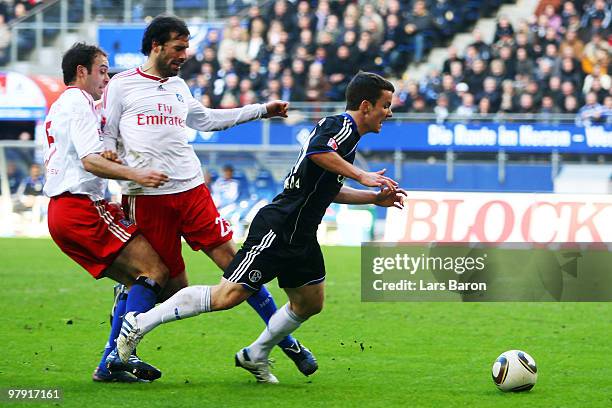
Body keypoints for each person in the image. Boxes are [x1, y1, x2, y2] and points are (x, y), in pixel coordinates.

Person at [115, 72, 407, 383]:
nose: (389, 113)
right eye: (386, 105)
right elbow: (318, 152)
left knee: (310, 302)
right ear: (366, 105)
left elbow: (327, 188)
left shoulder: (347, 139)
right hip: (279, 227)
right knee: (227, 296)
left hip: (301, 234)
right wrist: (363, 176)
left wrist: (373, 199)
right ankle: (141, 322)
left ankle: (255, 354)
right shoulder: (341, 127)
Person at [101, 15, 317, 376]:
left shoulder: (179, 87)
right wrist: (110, 154)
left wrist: (261, 110)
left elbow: (208, 120)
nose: (185, 54)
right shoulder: (121, 86)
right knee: (160, 282)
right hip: (147, 197)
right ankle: (117, 352)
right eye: (178, 47)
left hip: (191, 189)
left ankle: (283, 340)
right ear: (156, 45)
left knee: (237, 264)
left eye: (187, 47)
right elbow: (106, 134)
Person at [43, 42, 172, 382]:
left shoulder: (64, 104)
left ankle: (108, 364)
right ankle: (117, 354)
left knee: (136, 279)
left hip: (63, 210)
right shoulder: (78, 101)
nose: (106, 77)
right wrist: (136, 174)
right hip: (80, 206)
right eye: (102, 70)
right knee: (156, 271)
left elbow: (82, 154)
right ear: (81, 72)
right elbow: (88, 160)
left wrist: (111, 157)